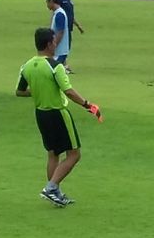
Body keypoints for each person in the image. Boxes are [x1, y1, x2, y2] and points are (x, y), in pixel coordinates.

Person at [15, 27, 101, 207]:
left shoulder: (27, 66)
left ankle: (55, 193)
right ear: (48, 44)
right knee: (74, 154)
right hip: (58, 113)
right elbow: (68, 92)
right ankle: (51, 187)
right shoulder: (55, 67)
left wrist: (38, 91)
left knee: (53, 154)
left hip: (41, 114)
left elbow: (20, 92)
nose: (56, 44)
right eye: (54, 42)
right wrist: (88, 105)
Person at [58, 0, 84, 74]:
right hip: (62, 28)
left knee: (66, 48)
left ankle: (64, 66)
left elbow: (70, 16)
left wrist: (78, 25)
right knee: (64, 48)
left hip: (68, 28)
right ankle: (61, 67)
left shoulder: (68, 0)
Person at [46, 0, 70, 66]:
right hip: (58, 52)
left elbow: (60, 33)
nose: (46, 4)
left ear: (51, 1)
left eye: (47, 1)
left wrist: (53, 46)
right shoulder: (57, 13)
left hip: (59, 52)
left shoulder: (59, 14)